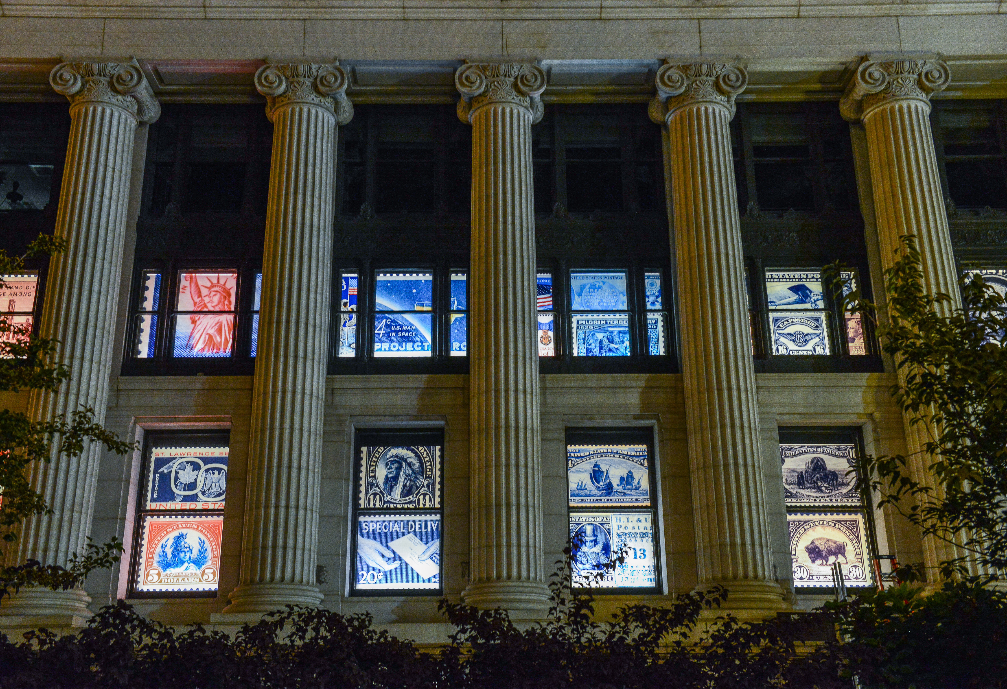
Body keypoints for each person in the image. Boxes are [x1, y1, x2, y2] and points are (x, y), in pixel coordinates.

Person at [185, 273, 234, 355]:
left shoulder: (229, 317)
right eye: (209, 296)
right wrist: (193, 277)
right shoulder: (205, 315)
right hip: (199, 356)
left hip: (221, 356)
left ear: (223, 297)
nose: (210, 298)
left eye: (214, 295)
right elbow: (197, 298)